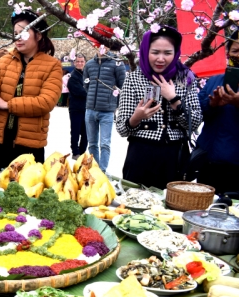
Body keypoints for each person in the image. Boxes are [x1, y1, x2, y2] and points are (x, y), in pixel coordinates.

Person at [0, 10, 62, 171]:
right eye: (15, 33)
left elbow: (45, 102)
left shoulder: (52, 65)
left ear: (39, 35)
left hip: (29, 145)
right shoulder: (4, 61)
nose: (18, 37)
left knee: (25, 193)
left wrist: (8, 104)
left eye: (23, 32)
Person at [115, 25, 202, 189]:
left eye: (167, 53)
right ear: (146, 51)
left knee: (173, 209)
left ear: (175, 53)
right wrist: (136, 117)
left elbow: (195, 122)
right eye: (155, 52)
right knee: (136, 207)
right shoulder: (134, 79)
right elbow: (122, 129)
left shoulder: (185, 78)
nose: (161, 58)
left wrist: (174, 99)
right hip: (140, 155)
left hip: (174, 157)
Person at [196, 30, 239, 193]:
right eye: (235, 51)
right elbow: (197, 114)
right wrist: (212, 104)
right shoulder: (214, 80)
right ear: (227, 53)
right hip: (209, 163)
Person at [83, 43, 126, 172]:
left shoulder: (117, 64)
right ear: (94, 46)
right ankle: (94, 169)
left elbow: (122, 86)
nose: (102, 48)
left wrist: (113, 102)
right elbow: (85, 84)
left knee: (105, 144)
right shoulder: (89, 64)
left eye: (105, 46)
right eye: (99, 45)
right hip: (90, 109)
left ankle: (102, 171)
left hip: (107, 110)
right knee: (92, 144)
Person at [68, 53, 88, 159]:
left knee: (86, 132)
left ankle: (83, 151)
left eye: (82, 61)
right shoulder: (73, 77)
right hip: (76, 108)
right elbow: (81, 92)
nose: (80, 63)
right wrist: (89, 91)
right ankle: (75, 152)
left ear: (85, 62)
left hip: (87, 108)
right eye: (78, 61)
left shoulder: (87, 75)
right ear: (74, 63)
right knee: (75, 131)